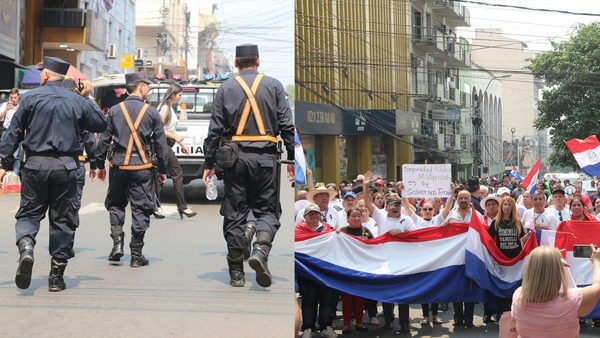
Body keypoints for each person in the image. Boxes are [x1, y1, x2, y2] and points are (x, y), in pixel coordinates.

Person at [0, 56, 107, 291]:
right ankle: (56, 276)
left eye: (41, 73)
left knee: (29, 213)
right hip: (67, 168)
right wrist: (86, 97)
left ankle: (26, 247)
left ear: (46, 75)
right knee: (63, 220)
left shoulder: (30, 99)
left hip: (35, 166)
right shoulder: (76, 100)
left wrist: (3, 163)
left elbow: (13, 133)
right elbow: (100, 124)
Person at [202, 44, 294, 288]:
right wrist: (292, 159)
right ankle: (260, 251)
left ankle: (236, 273)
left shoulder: (225, 87)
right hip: (266, 160)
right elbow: (287, 126)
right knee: (268, 211)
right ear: (258, 61)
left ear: (235, 63)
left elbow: (215, 130)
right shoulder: (274, 85)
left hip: (235, 161)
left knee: (235, 213)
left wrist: (209, 162)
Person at [94, 72, 168, 267]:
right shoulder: (151, 113)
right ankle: (136, 255)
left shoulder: (114, 111)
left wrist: (98, 165)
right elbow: (161, 144)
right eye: (148, 86)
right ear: (141, 86)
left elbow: (104, 140)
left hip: (118, 166)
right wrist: (162, 169)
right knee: (141, 208)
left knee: (116, 204)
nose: (149, 90)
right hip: (142, 168)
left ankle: (117, 245)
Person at [512, 245, 600, 337]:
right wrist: (597, 261)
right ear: (559, 270)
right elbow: (598, 286)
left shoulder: (518, 296)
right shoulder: (572, 299)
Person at [295, 204, 338, 338]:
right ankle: (308, 328)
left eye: (316, 214)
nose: (314, 216)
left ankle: (325, 326)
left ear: (320, 215)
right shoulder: (298, 231)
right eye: (311, 214)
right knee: (309, 301)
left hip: (325, 272)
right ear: (305, 216)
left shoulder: (328, 230)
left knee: (327, 300)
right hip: (306, 273)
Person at [156, 83, 197, 219]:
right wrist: (176, 138)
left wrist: (182, 144)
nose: (180, 97)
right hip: (163, 144)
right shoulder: (165, 108)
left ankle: (154, 206)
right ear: (173, 95)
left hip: (166, 144)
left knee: (158, 176)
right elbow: (160, 129)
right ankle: (182, 206)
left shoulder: (169, 108)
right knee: (177, 173)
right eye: (179, 95)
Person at [487, 196, 532, 316]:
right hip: (501, 260)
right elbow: (488, 239)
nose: (507, 207)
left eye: (509, 205)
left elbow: (521, 239)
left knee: (515, 287)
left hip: (516, 260)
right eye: (504, 204)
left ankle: (514, 311)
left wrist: (529, 237)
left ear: (513, 207)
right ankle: (500, 312)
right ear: (501, 207)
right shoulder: (496, 222)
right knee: (502, 286)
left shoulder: (517, 222)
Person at [339, 207, 373, 334]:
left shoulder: (367, 232)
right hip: (346, 270)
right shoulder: (341, 232)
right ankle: (346, 325)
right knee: (347, 298)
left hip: (361, 270)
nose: (356, 218)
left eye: (359, 215)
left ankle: (359, 323)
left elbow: (373, 247)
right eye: (353, 216)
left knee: (359, 298)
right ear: (348, 218)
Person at [0, 88, 22, 174]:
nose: (13, 99)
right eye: (11, 97)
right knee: (3, 154)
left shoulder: (21, 106)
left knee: (16, 155)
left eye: (15, 97)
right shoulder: (6, 104)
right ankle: (3, 174)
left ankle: (15, 175)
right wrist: (6, 109)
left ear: (18, 96)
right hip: (6, 131)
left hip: (17, 132)